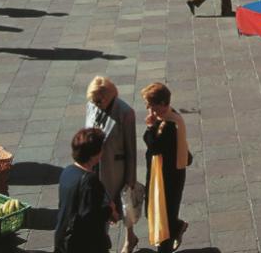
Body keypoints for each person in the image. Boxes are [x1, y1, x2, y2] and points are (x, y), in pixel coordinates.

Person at [86, 77, 138, 253]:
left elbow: (131, 149)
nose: (95, 104)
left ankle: (129, 238)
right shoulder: (93, 105)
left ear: (109, 96)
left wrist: (131, 179)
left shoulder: (125, 112)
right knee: (100, 208)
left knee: (124, 206)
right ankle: (103, 244)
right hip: (95, 167)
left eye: (99, 100)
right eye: (93, 101)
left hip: (116, 170)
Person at [142, 83, 190, 253]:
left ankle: (167, 243)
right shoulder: (171, 117)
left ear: (162, 104)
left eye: (152, 105)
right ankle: (177, 227)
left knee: (164, 217)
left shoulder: (169, 125)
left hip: (168, 178)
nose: (149, 109)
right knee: (156, 212)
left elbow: (154, 146)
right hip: (164, 174)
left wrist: (150, 127)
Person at [55, 127, 114, 253]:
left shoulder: (67, 171)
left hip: (63, 238)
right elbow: (90, 217)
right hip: (84, 244)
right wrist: (110, 210)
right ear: (94, 154)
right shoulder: (90, 181)